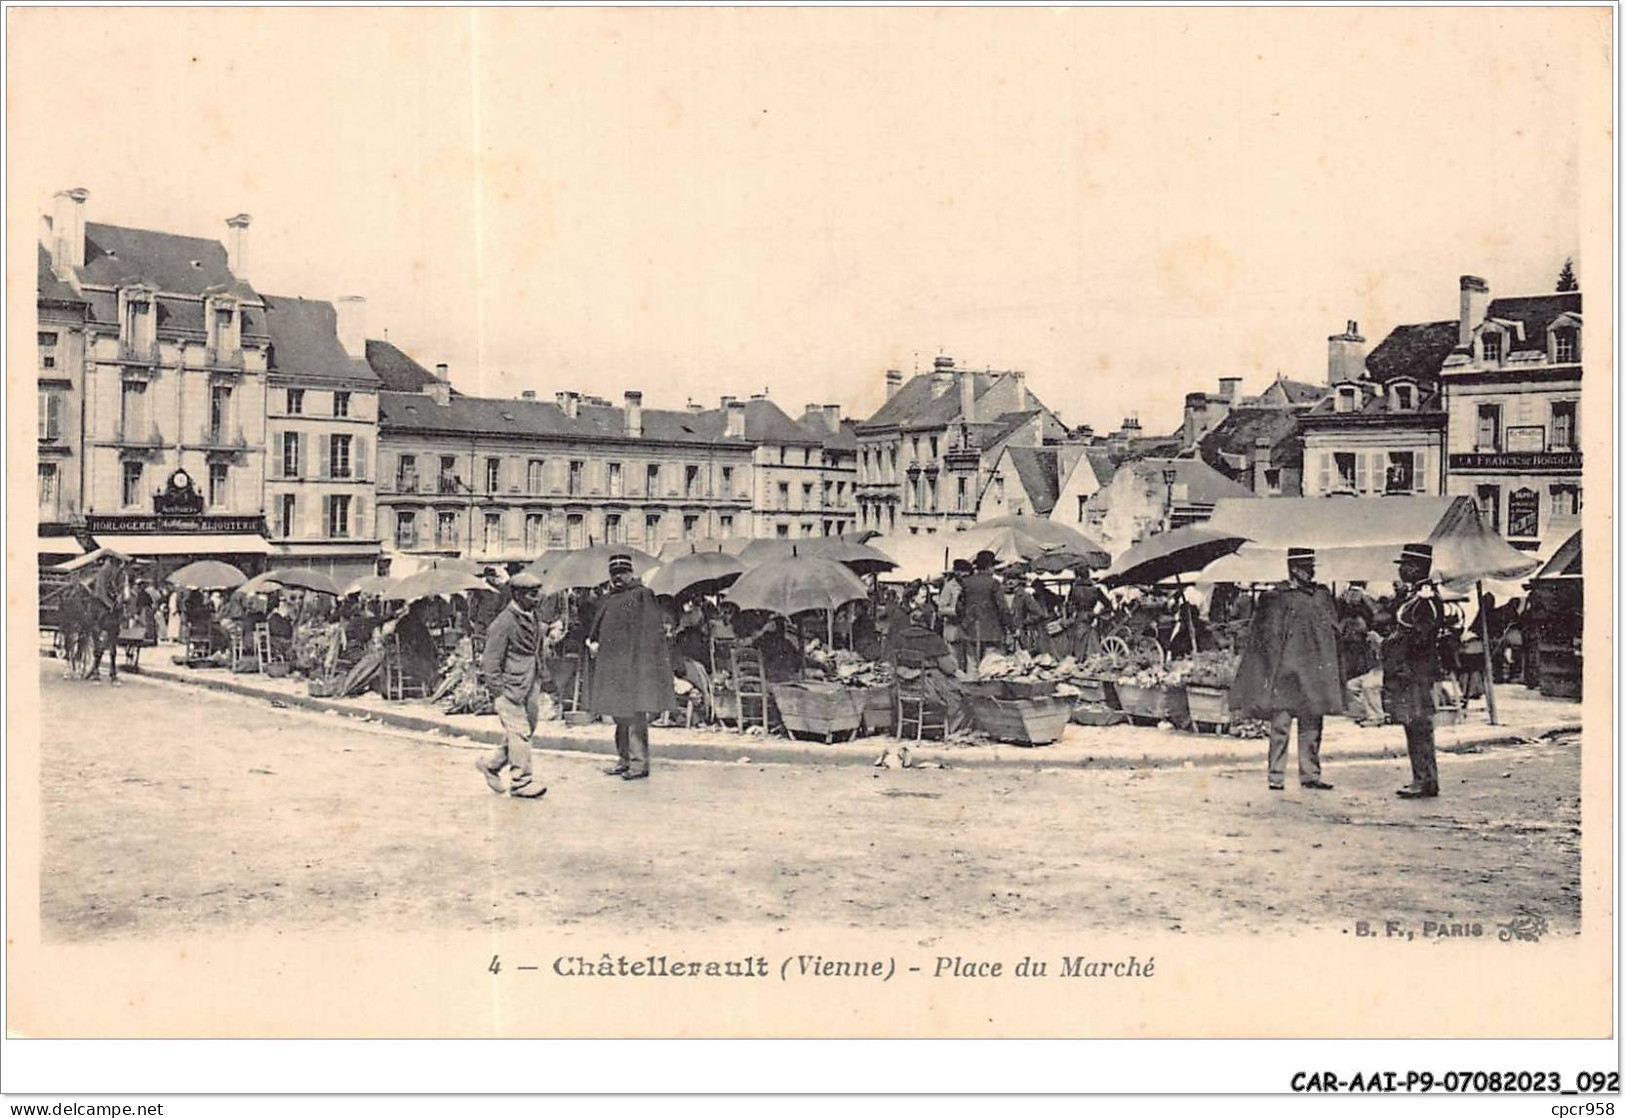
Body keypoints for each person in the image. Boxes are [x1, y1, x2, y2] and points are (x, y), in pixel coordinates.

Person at [1230, 547, 1343, 792]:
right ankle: (1276, 775)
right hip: (1284, 673)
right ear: (1293, 569)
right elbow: (1264, 637)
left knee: (1312, 726)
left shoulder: (1320, 596)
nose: (1310, 572)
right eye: (1305, 568)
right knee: (1280, 726)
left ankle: (1311, 774)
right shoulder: (1275, 598)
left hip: (1312, 673)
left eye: (1311, 567)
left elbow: (1332, 631)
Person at [587, 552, 676, 781]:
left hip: (635, 666)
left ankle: (639, 763)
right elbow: (596, 628)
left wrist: (644, 665)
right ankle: (623, 760)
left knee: (636, 714)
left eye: (622, 573)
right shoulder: (609, 598)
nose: (617, 577)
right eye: (614, 573)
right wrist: (594, 641)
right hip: (614, 668)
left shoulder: (643, 595)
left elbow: (651, 632)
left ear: (631, 573)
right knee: (619, 715)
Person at [475, 571, 548, 798]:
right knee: (520, 733)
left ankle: (491, 764)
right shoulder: (503, 623)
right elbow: (490, 660)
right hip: (510, 688)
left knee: (523, 734)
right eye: (532, 595)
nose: (537, 599)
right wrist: (498, 691)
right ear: (517, 594)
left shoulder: (532, 616)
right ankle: (521, 781)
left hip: (530, 683)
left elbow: (535, 650)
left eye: (537, 594)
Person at [1383, 543, 1444, 799]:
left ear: (1418, 568)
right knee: (1414, 725)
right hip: (1411, 672)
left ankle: (1425, 780)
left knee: (1418, 726)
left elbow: (1421, 637)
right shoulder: (1414, 596)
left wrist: (1392, 642)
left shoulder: (1425, 598)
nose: (1402, 571)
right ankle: (1423, 778)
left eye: (1406, 566)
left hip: (1415, 672)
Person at [958, 550, 1010, 673]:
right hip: (992, 632)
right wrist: (1011, 628)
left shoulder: (966, 583)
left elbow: (959, 607)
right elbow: (1003, 608)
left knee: (972, 666)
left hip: (970, 631)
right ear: (990, 567)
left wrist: (965, 622)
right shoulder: (994, 583)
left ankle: (972, 690)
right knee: (991, 667)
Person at [83, 553, 129, 684]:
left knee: (113, 642)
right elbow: (100, 589)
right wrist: (109, 604)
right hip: (101, 602)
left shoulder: (121, 571)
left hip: (114, 602)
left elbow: (123, 587)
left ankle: (113, 672)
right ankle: (96, 670)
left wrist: (121, 599)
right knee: (98, 633)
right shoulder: (105, 569)